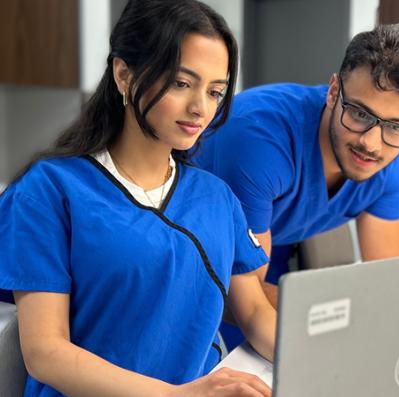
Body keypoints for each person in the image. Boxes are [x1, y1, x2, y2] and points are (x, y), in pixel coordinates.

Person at [0, 1, 275, 396]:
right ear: (124, 74)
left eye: (215, 91)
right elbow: (45, 352)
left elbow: (254, 313)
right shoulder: (48, 191)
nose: (201, 108)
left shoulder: (216, 197)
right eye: (182, 83)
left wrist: (323, 363)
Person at [194, 23, 399, 349]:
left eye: (397, 126)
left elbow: (389, 279)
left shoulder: (392, 164)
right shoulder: (259, 141)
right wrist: (347, 315)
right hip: (192, 252)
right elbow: (246, 296)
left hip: (273, 242)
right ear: (333, 91)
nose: (371, 143)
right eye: (359, 113)